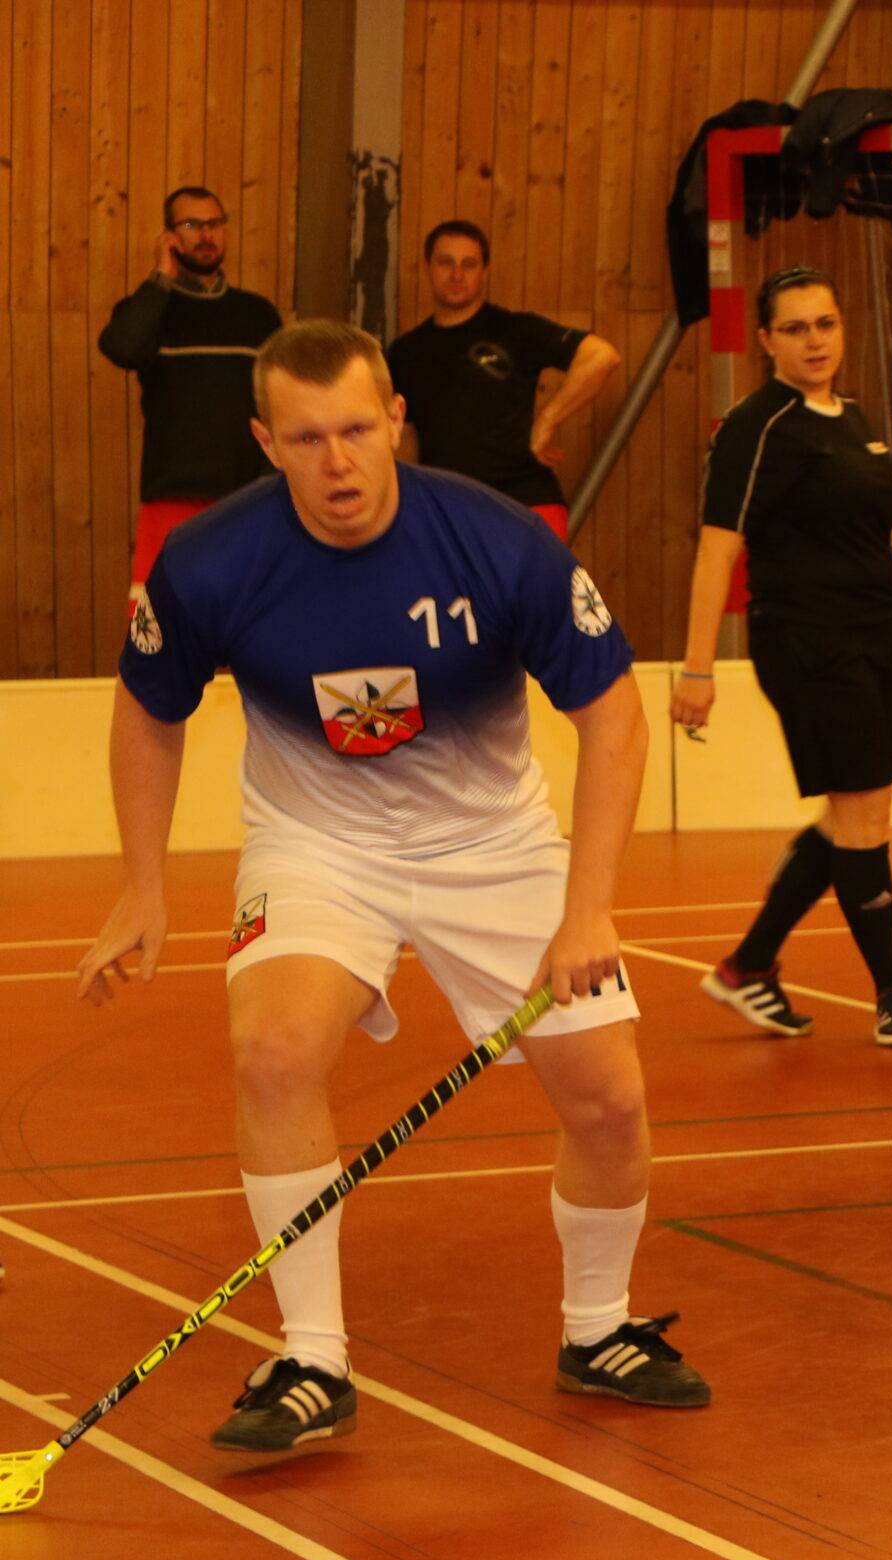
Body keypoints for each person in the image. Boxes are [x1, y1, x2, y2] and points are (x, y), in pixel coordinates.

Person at [73, 320, 709, 1452]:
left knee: (609, 1099)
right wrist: (142, 883)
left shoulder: (495, 539)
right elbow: (147, 710)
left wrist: (588, 908)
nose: (339, 462)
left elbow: (613, 718)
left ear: (397, 419)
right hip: (318, 842)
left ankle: (597, 1326)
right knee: (273, 1050)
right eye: (307, 438)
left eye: (358, 430)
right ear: (265, 441)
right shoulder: (213, 559)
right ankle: (312, 1358)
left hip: (493, 844)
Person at [675, 265, 892, 1044]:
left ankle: (748, 964)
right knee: (863, 813)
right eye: (795, 328)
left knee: (858, 812)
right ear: (767, 341)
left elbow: (880, 536)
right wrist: (697, 668)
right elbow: (717, 548)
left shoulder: (854, 418)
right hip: (805, 640)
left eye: (825, 323)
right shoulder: (757, 425)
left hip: (870, 636)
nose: (815, 340)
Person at [388, 220, 622, 542]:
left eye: (469, 264)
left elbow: (602, 356)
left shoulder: (515, 330)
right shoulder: (406, 352)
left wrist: (548, 421)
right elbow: (405, 438)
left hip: (524, 503)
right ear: (428, 266)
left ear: (485, 270)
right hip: (447, 511)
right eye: (446, 262)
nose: (457, 274)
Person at [97, 186, 285, 587]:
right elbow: (122, 347)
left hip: (247, 498)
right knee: (158, 618)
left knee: (245, 614)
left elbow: (282, 398)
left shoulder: (257, 314)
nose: (206, 235)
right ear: (169, 236)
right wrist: (160, 277)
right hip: (171, 497)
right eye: (191, 225)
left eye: (214, 223)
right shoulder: (150, 309)